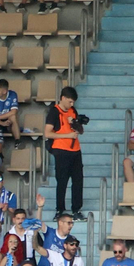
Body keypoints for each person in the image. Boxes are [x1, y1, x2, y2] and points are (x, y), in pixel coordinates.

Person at [44, 86, 85, 217]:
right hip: (61, 151)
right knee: (62, 181)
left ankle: (76, 209)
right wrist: (67, 135)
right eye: (70, 102)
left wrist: (74, 123)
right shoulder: (54, 112)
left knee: (78, 180)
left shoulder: (73, 111)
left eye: (73, 102)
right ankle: (60, 209)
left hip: (75, 150)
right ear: (63, 98)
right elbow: (47, 133)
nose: (72, 104)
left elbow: (80, 130)